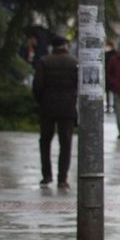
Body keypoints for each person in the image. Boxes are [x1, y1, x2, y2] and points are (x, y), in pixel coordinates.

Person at [32, 36, 77, 188]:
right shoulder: (74, 62)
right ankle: (62, 178)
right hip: (67, 109)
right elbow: (78, 85)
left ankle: (46, 176)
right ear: (65, 46)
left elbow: (37, 85)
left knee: (45, 141)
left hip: (47, 108)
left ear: (52, 47)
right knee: (65, 144)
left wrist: (40, 101)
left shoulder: (44, 62)